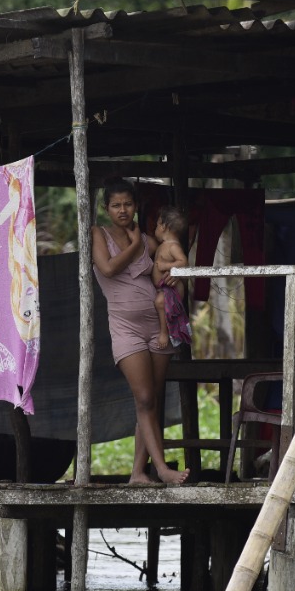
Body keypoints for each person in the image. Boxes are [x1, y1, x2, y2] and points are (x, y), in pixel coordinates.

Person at [91, 179, 189, 485]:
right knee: (144, 396)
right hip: (125, 328)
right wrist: (134, 246)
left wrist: (176, 276)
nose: (123, 210)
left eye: (128, 204)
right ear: (106, 209)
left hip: (157, 326)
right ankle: (161, 469)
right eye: (116, 205)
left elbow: (170, 262)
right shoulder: (100, 234)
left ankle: (138, 472)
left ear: (136, 206)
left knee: (152, 400)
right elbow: (107, 269)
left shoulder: (150, 240)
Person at [152, 205, 192, 352]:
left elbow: (183, 262)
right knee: (159, 302)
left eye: (156, 225)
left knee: (160, 302)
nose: (155, 228)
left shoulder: (173, 246)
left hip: (172, 287)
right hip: (164, 287)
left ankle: (164, 333)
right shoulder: (164, 245)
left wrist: (165, 265)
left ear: (163, 227)